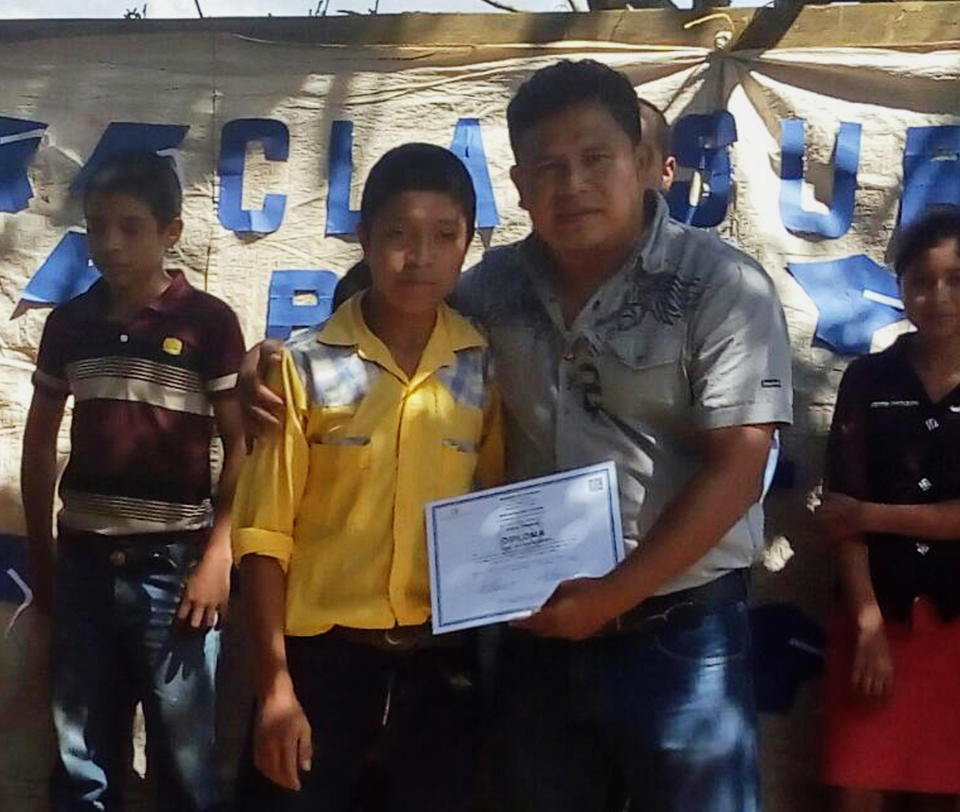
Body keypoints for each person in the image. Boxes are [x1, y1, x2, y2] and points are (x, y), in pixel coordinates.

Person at [240, 60, 792, 811]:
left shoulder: (722, 288)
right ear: (520, 185)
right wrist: (270, 359)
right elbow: (386, 306)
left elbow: (740, 464)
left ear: (640, 160)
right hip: (534, 643)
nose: (572, 185)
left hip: (679, 636)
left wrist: (612, 596)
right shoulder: (489, 289)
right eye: (548, 168)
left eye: (595, 158)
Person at [231, 142, 503, 812]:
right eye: (398, 235)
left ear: (469, 243)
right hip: (321, 667)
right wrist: (275, 690)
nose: (422, 257)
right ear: (364, 238)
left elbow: (496, 513)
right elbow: (264, 537)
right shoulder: (302, 368)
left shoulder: (484, 367)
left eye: (445, 235)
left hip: (438, 669)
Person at [21, 151, 246, 811]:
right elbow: (39, 445)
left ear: (171, 232)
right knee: (81, 757)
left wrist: (218, 554)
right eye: (96, 228)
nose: (110, 244)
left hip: (174, 572)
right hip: (84, 565)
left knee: (187, 758)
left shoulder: (207, 323)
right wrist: (44, 558)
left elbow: (242, 448)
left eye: (130, 226)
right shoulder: (70, 325)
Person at [816, 207, 960, 812]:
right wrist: (869, 624)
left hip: (955, 627)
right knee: (855, 791)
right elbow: (836, 512)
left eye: (956, 279)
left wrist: (874, 516)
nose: (938, 296)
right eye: (921, 281)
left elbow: (856, 514)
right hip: (873, 621)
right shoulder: (868, 380)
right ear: (899, 288)